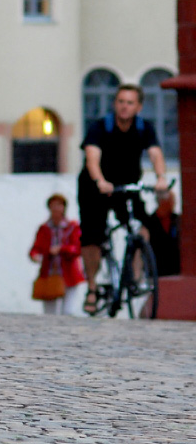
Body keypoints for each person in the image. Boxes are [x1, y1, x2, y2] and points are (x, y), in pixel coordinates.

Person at [77, 84, 169, 314]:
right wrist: (99, 180)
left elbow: (155, 153)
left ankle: (135, 275)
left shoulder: (143, 128)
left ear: (138, 106)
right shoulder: (101, 127)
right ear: (114, 104)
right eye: (120, 101)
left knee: (142, 225)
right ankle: (91, 286)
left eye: (129, 102)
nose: (124, 106)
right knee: (92, 235)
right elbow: (92, 157)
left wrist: (161, 178)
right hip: (95, 186)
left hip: (126, 185)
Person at [29, 193, 86, 316]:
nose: (56, 209)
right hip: (50, 273)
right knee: (49, 311)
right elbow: (36, 248)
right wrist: (35, 255)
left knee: (68, 310)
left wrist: (62, 249)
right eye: (53, 206)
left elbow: (77, 248)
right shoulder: (44, 228)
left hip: (68, 273)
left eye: (59, 205)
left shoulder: (72, 226)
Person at [145, 190, 181, 277]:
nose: (173, 203)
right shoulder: (150, 222)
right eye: (170, 201)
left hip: (176, 269)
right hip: (157, 269)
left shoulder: (177, 220)